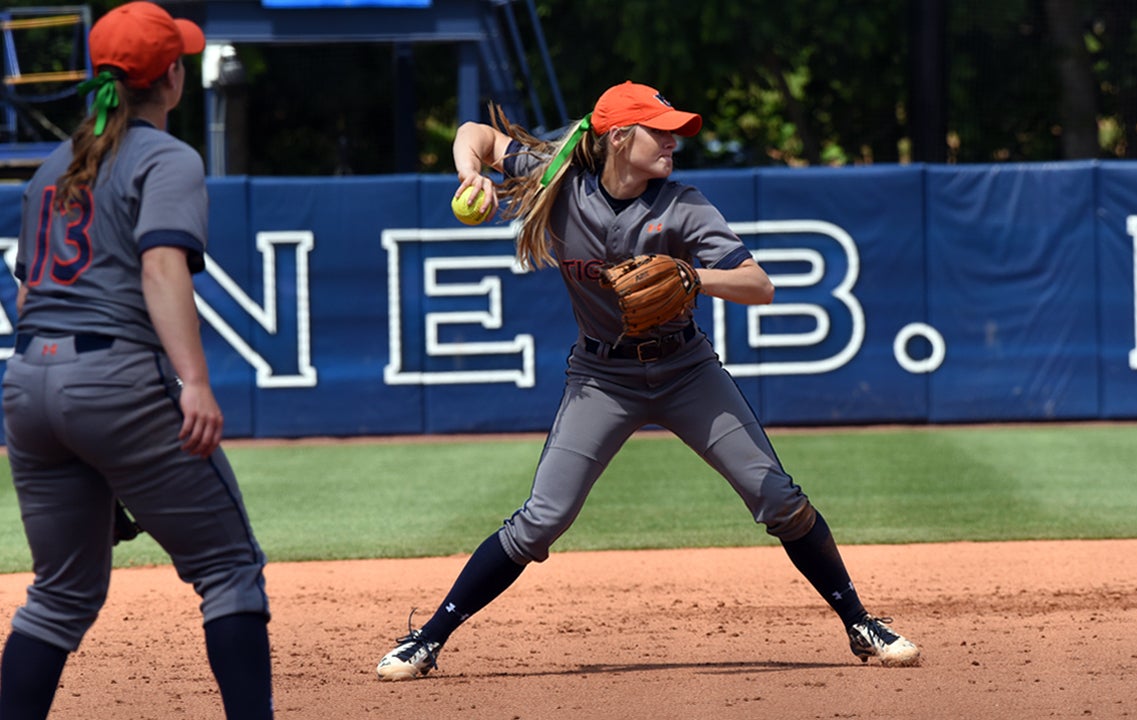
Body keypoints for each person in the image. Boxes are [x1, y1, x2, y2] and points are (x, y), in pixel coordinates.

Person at [376, 81, 919, 681]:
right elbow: (474, 135)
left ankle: (860, 622)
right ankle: (428, 638)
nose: (672, 142)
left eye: (674, 132)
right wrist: (470, 175)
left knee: (777, 498)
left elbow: (759, 286)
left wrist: (692, 276)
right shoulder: (559, 181)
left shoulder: (683, 205)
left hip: (686, 372)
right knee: (542, 520)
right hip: (602, 378)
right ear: (618, 138)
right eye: (660, 131)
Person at [0, 3, 273, 718]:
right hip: (113, 377)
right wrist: (196, 382)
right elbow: (160, 267)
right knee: (230, 570)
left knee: (58, 597)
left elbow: (28, 293)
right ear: (172, 77)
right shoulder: (167, 157)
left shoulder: (52, 166)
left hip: (28, 381)